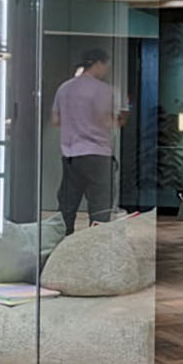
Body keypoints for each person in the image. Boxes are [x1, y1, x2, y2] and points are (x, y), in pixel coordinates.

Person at [52, 48, 125, 233]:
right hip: (97, 154)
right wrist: (122, 119)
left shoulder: (64, 88)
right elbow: (106, 121)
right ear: (99, 64)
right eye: (106, 66)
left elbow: (56, 120)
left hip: (71, 155)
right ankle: (95, 243)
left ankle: (62, 241)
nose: (106, 71)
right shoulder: (103, 90)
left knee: (67, 205)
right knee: (100, 206)